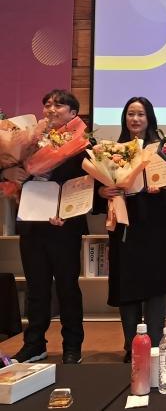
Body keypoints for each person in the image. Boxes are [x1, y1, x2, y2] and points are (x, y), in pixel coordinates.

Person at [96, 97, 166, 361]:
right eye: (131, 114)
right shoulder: (112, 151)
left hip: (156, 226)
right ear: (124, 118)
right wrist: (102, 191)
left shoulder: (162, 150)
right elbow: (97, 188)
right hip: (126, 226)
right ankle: (132, 347)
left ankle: (153, 346)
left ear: (149, 118)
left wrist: (162, 188)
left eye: (141, 114)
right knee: (127, 286)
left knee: (156, 287)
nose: (135, 119)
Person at [11, 90, 88, 364]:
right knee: (36, 288)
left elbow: (86, 185)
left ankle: (72, 346)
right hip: (32, 223)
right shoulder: (28, 140)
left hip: (64, 226)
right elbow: (8, 167)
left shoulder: (81, 145)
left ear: (73, 113)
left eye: (59, 105)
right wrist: (10, 173)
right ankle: (34, 344)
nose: (51, 109)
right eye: (47, 104)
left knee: (67, 287)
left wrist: (67, 212)